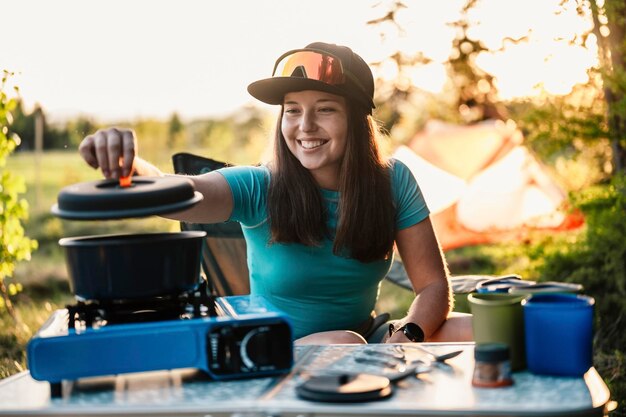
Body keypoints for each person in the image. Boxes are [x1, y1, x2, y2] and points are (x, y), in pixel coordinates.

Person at [78, 42, 473, 344]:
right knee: (343, 342)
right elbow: (180, 191)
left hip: (367, 342)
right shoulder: (259, 185)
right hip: (277, 350)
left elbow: (433, 287)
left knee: (477, 329)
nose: (305, 126)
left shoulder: (392, 181)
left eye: (325, 109)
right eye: (292, 109)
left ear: (356, 120)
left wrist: (406, 337)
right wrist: (129, 168)